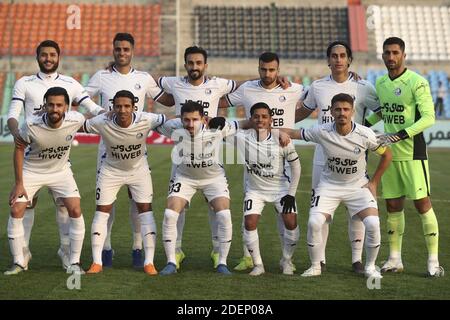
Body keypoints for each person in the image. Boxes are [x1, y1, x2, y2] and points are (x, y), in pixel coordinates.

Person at [6, 40, 103, 270]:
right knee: (26, 205)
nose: (48, 58)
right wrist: (17, 134)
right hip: (32, 152)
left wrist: (113, 114)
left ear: (59, 56)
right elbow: (13, 114)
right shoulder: (24, 83)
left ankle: (67, 252)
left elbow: (92, 109)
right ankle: (23, 254)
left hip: (59, 159)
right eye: (44, 55)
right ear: (37, 56)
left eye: (52, 54)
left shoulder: (70, 83)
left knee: (64, 205)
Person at [85, 32, 174, 268]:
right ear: (113, 50)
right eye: (118, 49)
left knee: (137, 201)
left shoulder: (144, 78)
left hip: (136, 148)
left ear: (132, 51)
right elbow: (81, 96)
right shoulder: (102, 76)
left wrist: (182, 87)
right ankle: (106, 249)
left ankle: (137, 247)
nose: (122, 53)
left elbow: (168, 100)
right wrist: (98, 112)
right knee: (106, 202)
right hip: (107, 150)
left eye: (126, 49)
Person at [294, 41, 381, 274]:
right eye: (334, 56)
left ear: (349, 60)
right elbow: (304, 110)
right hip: (323, 158)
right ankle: (319, 260)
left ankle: (357, 260)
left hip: (354, 154)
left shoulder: (363, 86)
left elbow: (381, 111)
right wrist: (281, 122)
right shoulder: (318, 86)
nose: (339, 60)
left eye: (343, 55)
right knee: (322, 212)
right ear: (328, 60)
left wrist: (364, 130)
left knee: (357, 211)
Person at [283, 93, 392, 278]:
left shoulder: (365, 134)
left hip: (358, 186)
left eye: (346, 109)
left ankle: (371, 267)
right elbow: (294, 133)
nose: (342, 113)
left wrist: (373, 182)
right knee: (314, 222)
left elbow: (387, 154)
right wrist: (268, 129)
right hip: (328, 186)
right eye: (338, 109)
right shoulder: (321, 131)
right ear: (331, 111)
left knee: (373, 223)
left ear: (352, 111)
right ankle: (316, 266)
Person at [219, 51, 304, 272]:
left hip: (281, 151)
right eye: (264, 69)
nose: (268, 74)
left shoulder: (293, 89)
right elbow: (219, 102)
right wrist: (207, 116)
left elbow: (318, 98)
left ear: (278, 69)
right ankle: (252, 260)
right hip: (254, 154)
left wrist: (287, 131)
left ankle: (287, 259)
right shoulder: (247, 89)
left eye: (272, 70)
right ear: (258, 68)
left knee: (287, 218)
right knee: (250, 217)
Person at [157, 46, 237, 270]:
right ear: (185, 65)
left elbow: (245, 120)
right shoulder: (174, 117)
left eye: (198, 63)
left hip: (212, 169)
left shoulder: (216, 91)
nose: (194, 67)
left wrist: (282, 134)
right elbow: (152, 116)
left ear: (205, 65)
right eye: (190, 63)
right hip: (183, 171)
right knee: (173, 211)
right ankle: (174, 256)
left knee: (221, 213)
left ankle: (220, 257)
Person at [375, 37, 444, 277]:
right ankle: (395, 259)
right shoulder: (381, 83)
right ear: (382, 56)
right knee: (392, 206)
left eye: (395, 52)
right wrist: (359, 128)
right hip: (390, 156)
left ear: (403, 54)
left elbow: (428, 118)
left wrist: (400, 135)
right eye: (387, 53)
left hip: (413, 153)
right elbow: (381, 113)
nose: (391, 57)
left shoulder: (417, 82)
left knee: (422, 205)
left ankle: (433, 262)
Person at [81, 90, 166, 276]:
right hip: (110, 171)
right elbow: (79, 125)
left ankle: (149, 262)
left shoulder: (146, 119)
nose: (122, 110)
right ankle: (97, 262)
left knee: (145, 210)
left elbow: (167, 120)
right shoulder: (102, 121)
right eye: (118, 106)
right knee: (101, 211)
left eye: (127, 106)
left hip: (139, 171)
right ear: (113, 107)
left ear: (134, 107)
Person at [5, 87, 86, 275]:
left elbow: (97, 122)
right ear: (45, 105)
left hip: (61, 171)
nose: (55, 109)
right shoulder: (31, 124)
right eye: (50, 104)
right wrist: (19, 183)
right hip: (32, 170)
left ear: (66, 106)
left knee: (74, 208)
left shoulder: (76, 119)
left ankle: (74, 261)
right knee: (16, 208)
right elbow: (18, 149)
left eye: (59, 105)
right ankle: (19, 261)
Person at [236, 102, 301, 276]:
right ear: (250, 119)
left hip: (280, 190)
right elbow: (222, 128)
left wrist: (291, 194)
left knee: (291, 224)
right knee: (249, 223)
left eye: (264, 116)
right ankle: (258, 265)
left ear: (271, 120)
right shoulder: (242, 138)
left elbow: (296, 167)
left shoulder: (282, 141)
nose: (260, 120)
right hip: (255, 191)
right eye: (256, 116)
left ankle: (286, 260)